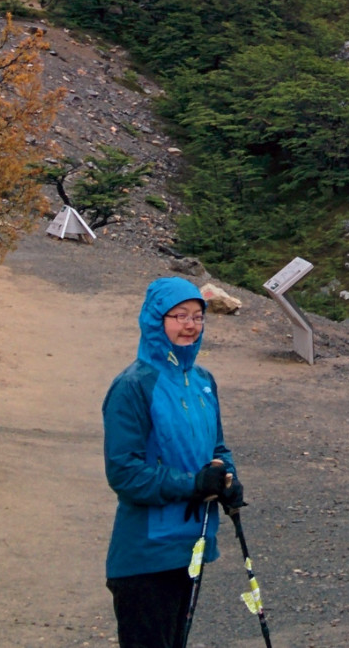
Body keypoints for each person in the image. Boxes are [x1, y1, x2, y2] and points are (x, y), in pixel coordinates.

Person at [104, 277, 244, 648]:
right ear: (155, 320)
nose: (190, 325)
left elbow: (216, 446)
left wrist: (227, 478)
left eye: (197, 316)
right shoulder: (133, 385)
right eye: (179, 316)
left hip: (191, 545)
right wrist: (193, 485)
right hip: (145, 555)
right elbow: (124, 472)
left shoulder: (201, 381)